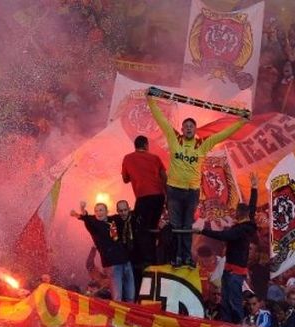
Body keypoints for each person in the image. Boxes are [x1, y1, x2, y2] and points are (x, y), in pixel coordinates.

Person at [147, 89, 246, 267]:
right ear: (182, 129)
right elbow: (161, 120)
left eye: (192, 126)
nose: (189, 129)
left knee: (187, 226)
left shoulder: (203, 144)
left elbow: (223, 134)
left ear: (195, 129)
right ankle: (177, 257)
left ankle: (186, 258)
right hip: (174, 190)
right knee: (177, 226)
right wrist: (151, 101)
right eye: (186, 126)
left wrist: (241, 122)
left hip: (192, 192)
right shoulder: (174, 138)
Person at [195, 172, 258, 323]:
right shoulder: (247, 224)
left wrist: (202, 230)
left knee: (233, 303)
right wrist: (254, 188)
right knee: (225, 303)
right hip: (230, 271)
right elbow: (252, 207)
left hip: (235, 273)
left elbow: (224, 236)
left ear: (238, 214)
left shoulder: (240, 230)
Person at [71, 202, 135, 302]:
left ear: (107, 211)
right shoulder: (94, 225)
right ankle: (117, 317)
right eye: (96, 210)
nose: (98, 212)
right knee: (117, 297)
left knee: (130, 296)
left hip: (126, 262)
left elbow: (126, 215)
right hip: (112, 265)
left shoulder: (113, 219)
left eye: (101, 210)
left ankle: (130, 316)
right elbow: (87, 218)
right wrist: (82, 211)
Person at [121, 135, 167, 265]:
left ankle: (144, 260)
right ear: (146, 145)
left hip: (143, 197)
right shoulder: (155, 158)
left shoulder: (128, 158)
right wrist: (168, 199)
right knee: (152, 227)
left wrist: (136, 174)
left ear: (135, 146)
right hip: (159, 197)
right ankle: (153, 259)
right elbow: (164, 178)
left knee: (139, 228)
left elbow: (125, 179)